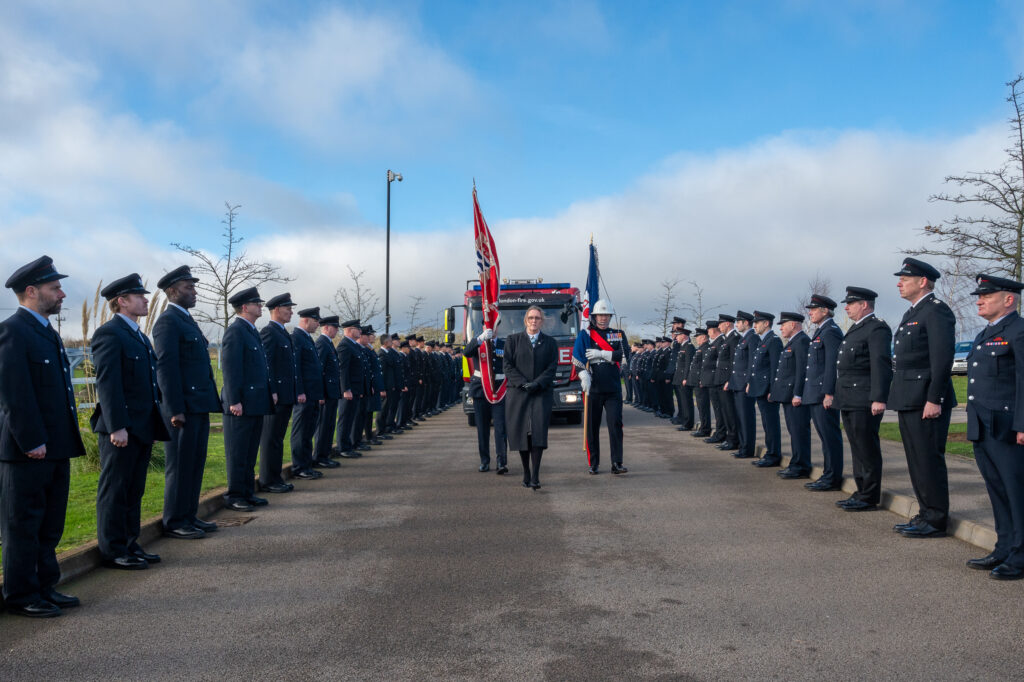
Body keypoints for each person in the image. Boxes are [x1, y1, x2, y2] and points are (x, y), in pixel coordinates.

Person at [0, 256, 86, 617]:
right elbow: (14, 392)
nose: (62, 294)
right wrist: (32, 440)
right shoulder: (13, 330)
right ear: (32, 291)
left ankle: (45, 586)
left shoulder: (47, 331)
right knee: (23, 524)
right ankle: (21, 594)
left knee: (50, 523)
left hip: (55, 445)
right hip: (28, 449)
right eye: (55, 288)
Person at [91, 273, 170, 570]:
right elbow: (108, 384)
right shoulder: (109, 334)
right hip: (120, 428)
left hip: (141, 425)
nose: (146, 300)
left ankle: (129, 542)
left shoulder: (138, 334)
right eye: (139, 296)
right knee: (115, 488)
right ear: (122, 301)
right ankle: (113, 550)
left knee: (134, 488)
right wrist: (116, 426)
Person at [889, 258, 956, 538]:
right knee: (916, 460)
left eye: (905, 278)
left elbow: (941, 360)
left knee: (929, 459)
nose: (899, 283)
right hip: (908, 396)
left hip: (925, 398)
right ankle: (925, 513)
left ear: (923, 282)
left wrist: (934, 398)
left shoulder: (936, 311)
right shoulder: (912, 313)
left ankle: (936, 519)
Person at [154, 265, 221, 539]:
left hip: (198, 405)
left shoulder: (187, 321)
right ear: (173, 291)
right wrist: (174, 409)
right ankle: (175, 520)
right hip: (183, 409)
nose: (194, 292)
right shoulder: (167, 322)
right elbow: (166, 368)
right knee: (180, 466)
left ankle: (189, 515)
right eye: (188, 287)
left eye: (193, 286)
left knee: (194, 463)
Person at [964, 274, 1024, 579]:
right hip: (983, 426)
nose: (979, 300)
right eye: (979, 296)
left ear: (1009, 299)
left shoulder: (1019, 330)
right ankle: (1004, 548)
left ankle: (1020, 556)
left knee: (1017, 492)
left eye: (986, 296)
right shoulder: (984, 333)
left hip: (1007, 428)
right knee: (997, 491)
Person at [833, 287, 893, 512]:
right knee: (857, 447)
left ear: (864, 304)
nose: (846, 307)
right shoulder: (857, 329)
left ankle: (869, 495)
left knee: (866, 448)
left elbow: (881, 364)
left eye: (851, 303)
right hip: (849, 396)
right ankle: (861, 491)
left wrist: (879, 397)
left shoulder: (876, 328)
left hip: (864, 398)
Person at [220, 287, 276, 512]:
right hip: (240, 403)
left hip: (254, 401)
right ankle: (235, 495)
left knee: (250, 450)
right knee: (238, 452)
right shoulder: (235, 331)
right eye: (257, 303)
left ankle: (247, 492)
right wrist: (234, 400)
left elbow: (261, 368)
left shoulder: (251, 330)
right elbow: (230, 368)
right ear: (245, 307)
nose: (260, 306)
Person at [503, 306, 559, 490]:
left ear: (542, 321)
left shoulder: (550, 343)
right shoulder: (513, 340)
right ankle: (526, 472)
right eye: (531, 318)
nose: (534, 321)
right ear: (525, 320)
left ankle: (535, 475)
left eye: (537, 318)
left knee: (538, 433)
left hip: (541, 393)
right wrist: (523, 383)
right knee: (522, 433)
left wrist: (537, 383)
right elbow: (507, 366)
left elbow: (552, 367)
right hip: (518, 393)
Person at [574, 299, 631, 475]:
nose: (603, 318)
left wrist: (603, 353)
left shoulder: (618, 334)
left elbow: (625, 356)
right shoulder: (586, 335)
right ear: (594, 316)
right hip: (594, 388)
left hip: (613, 388)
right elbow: (577, 358)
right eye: (600, 315)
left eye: (606, 315)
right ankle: (594, 463)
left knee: (615, 425)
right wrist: (583, 374)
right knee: (592, 427)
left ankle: (617, 462)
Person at [258, 293, 307, 493]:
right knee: (270, 438)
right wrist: (273, 390)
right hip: (277, 395)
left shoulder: (283, 333)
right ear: (277, 310)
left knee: (278, 438)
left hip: (286, 394)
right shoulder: (269, 332)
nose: (291, 312)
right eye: (288, 308)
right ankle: (268, 480)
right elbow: (267, 364)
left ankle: (275, 477)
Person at [802, 295, 844, 491]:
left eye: (814, 308)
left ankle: (832, 477)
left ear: (825, 311)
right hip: (815, 393)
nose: (810, 312)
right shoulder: (821, 331)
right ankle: (828, 474)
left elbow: (832, 365)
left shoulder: (831, 332)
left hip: (823, 394)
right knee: (824, 437)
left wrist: (829, 393)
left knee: (830, 437)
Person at [771, 312, 811, 479]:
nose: (780, 328)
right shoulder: (792, 342)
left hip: (795, 397)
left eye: (783, 324)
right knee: (793, 431)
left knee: (799, 431)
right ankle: (796, 463)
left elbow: (802, 371)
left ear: (793, 325)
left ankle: (801, 466)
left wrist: (798, 394)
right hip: (787, 395)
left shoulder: (801, 342)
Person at [465, 323, 508, 473]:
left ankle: (501, 461)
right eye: (489, 327)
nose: (492, 329)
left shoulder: (504, 344)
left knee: (501, 428)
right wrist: (479, 339)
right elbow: (466, 353)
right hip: (480, 391)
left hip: (499, 391)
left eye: (495, 326)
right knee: (482, 429)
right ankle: (484, 460)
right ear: (484, 328)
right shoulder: (478, 343)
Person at [291, 307, 328, 477]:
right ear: (305, 320)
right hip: (304, 395)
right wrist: (299, 391)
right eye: (315, 321)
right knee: (301, 432)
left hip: (312, 394)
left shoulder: (307, 338)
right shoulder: (297, 338)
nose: (318, 324)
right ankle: (299, 467)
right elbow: (296, 367)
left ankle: (306, 465)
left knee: (308, 432)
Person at [747, 311, 783, 467]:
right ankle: (770, 452)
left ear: (766, 323)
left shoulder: (773, 341)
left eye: (757, 322)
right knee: (767, 423)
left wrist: (773, 390)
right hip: (760, 388)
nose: (754, 325)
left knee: (771, 423)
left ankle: (773, 454)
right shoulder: (763, 341)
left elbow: (775, 368)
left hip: (767, 389)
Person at [311, 315, 340, 472]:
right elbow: (320, 370)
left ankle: (325, 455)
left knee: (329, 425)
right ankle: (320, 456)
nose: (336, 330)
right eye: (334, 327)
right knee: (323, 425)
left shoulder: (328, 343)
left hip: (332, 391)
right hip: (326, 393)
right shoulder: (322, 343)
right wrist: (320, 393)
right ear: (326, 327)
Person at [729, 311, 757, 459]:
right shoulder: (743, 338)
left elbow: (752, 362)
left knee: (746, 418)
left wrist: (749, 382)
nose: (737, 324)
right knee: (740, 417)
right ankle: (742, 446)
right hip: (737, 383)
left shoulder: (752, 338)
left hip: (744, 384)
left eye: (739, 322)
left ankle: (747, 448)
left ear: (746, 323)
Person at [335, 319, 364, 458]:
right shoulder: (345, 346)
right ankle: (343, 447)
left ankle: (348, 445)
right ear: (350, 330)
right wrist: (345, 389)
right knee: (345, 419)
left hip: (356, 389)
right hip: (349, 390)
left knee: (351, 418)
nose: (360, 331)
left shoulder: (354, 346)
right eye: (358, 329)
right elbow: (343, 369)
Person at [714, 314, 739, 450]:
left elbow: (733, 362)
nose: (719, 326)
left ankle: (733, 439)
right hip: (721, 380)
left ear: (728, 324)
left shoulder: (734, 338)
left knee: (730, 412)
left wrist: (730, 380)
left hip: (726, 381)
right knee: (725, 411)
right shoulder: (726, 339)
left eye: (721, 324)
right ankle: (729, 438)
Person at [701, 321, 725, 443]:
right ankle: (719, 432)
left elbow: (719, 363)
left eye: (709, 330)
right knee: (716, 408)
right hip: (711, 380)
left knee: (719, 409)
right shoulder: (715, 342)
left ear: (714, 330)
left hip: (715, 380)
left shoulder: (721, 341)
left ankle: (721, 433)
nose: (708, 332)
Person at [686, 329, 710, 436]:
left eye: (698, 337)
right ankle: (703, 427)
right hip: (696, 381)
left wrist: (701, 379)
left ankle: (705, 429)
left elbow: (704, 366)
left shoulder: (706, 348)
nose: (696, 339)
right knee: (700, 406)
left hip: (700, 382)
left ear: (704, 337)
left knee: (703, 406)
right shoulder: (700, 348)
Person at [673, 328, 695, 431]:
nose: (676, 337)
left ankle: (688, 423)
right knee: (682, 401)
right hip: (679, 377)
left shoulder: (689, 347)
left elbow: (688, 364)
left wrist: (685, 378)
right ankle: (684, 420)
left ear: (684, 335)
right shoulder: (682, 346)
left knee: (687, 402)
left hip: (684, 378)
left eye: (678, 335)